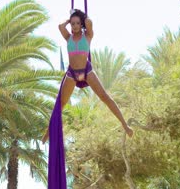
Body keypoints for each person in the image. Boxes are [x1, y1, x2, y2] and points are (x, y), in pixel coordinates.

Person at [42, 9, 133, 142]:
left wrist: (80, 16)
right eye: (72, 24)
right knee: (60, 104)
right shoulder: (69, 38)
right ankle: (47, 134)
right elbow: (60, 27)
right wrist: (69, 19)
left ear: (81, 24)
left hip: (86, 71)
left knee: (105, 97)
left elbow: (89, 22)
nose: (74, 26)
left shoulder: (88, 35)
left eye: (77, 23)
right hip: (72, 73)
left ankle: (125, 125)